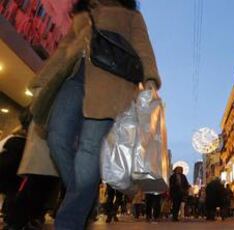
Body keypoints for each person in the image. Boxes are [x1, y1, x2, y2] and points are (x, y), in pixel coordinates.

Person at [28, 0, 161, 228]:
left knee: (89, 149)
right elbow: (63, 49)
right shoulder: (83, 13)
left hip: (110, 81)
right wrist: (42, 80)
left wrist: (150, 79)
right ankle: (83, 197)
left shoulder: (131, 16)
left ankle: (69, 221)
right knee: (56, 136)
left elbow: (143, 46)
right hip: (72, 78)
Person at [0, 112, 30, 229]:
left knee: (8, 193)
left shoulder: (10, 139)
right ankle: (8, 219)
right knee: (12, 194)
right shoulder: (26, 144)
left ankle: (6, 216)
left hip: (4, 169)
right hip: (14, 173)